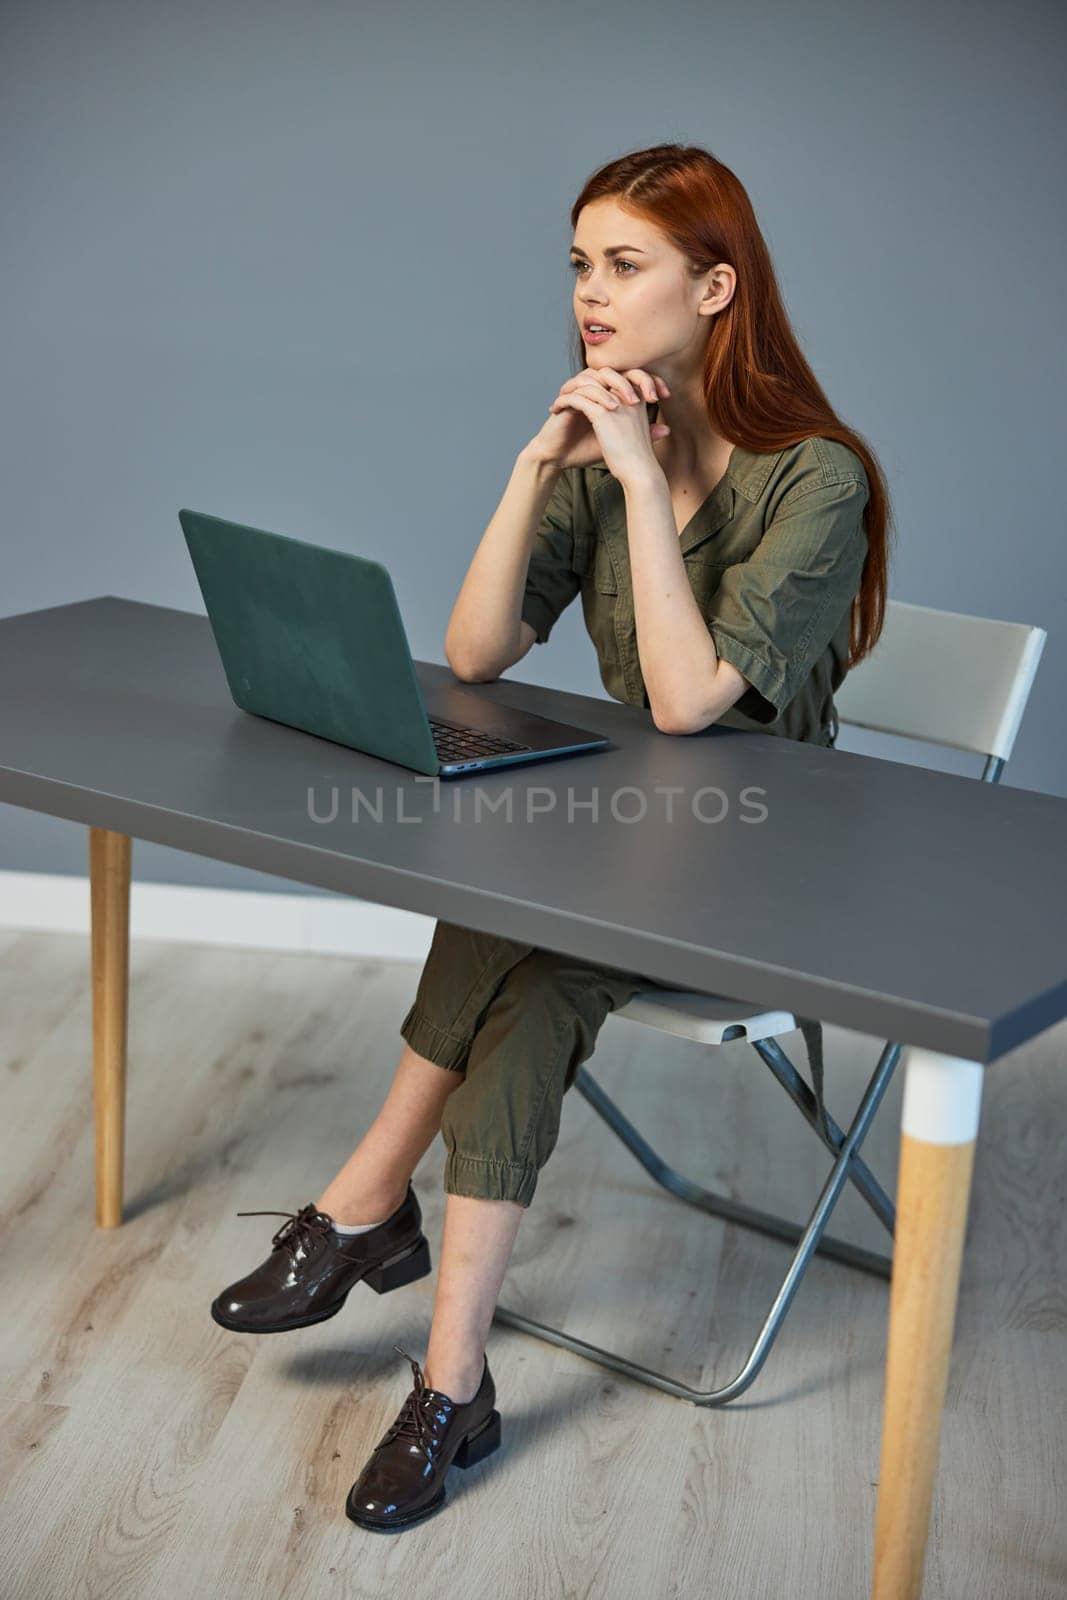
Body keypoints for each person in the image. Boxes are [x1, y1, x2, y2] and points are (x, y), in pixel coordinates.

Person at [210, 141, 894, 1533]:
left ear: (715, 287)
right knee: (516, 951)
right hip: (623, 856)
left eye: (623, 266)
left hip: (771, 867)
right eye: (579, 265)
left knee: (516, 896)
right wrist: (543, 462)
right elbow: (471, 653)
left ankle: (363, 1212)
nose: (590, 293)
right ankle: (450, 1379)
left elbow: (691, 704)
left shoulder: (815, 478)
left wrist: (642, 483)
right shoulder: (600, 442)